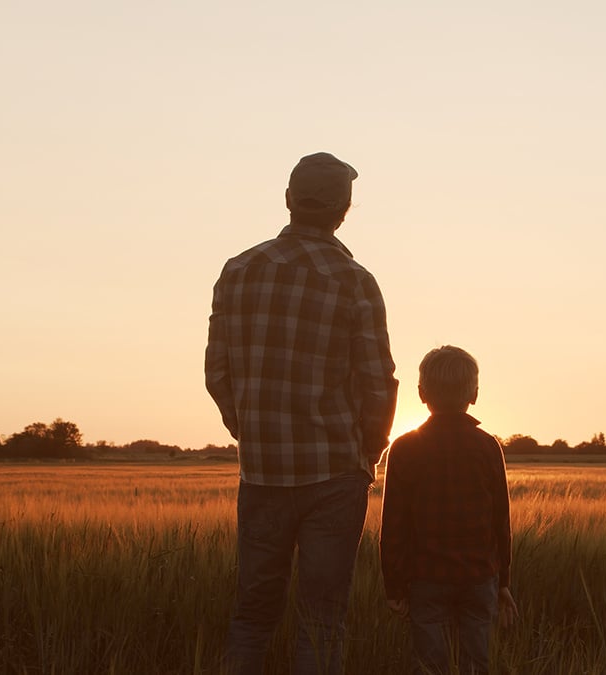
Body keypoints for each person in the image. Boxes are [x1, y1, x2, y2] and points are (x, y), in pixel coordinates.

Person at [205, 152, 398, 675]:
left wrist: (249, 431)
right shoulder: (354, 280)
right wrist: (370, 449)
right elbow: (378, 380)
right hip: (335, 472)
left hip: (262, 472)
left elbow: (217, 373)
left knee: (252, 613)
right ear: (344, 209)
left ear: (289, 200)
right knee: (322, 618)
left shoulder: (238, 270)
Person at [379, 346, 518, 675]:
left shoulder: (404, 448)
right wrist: (503, 583)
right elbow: (501, 522)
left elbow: (393, 527)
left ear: (421, 393)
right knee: (475, 664)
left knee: (431, 665)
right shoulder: (488, 447)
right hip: (479, 579)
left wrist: (394, 587)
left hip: (427, 579)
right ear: (475, 394)